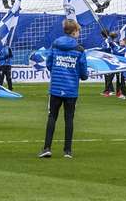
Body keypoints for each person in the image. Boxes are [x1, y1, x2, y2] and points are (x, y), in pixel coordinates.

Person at [39, 19, 88, 159]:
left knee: (52, 116)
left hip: (56, 88)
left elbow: (49, 63)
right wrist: (82, 75)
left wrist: (57, 70)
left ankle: (47, 147)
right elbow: (83, 72)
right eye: (78, 31)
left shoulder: (55, 45)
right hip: (71, 89)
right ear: (74, 32)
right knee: (69, 118)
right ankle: (67, 151)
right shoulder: (79, 50)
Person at [100, 29, 116, 97]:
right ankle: (110, 90)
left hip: (109, 60)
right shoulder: (109, 41)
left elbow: (106, 48)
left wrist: (101, 49)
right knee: (107, 75)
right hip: (109, 59)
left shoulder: (107, 41)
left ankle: (108, 90)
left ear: (102, 35)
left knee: (108, 76)